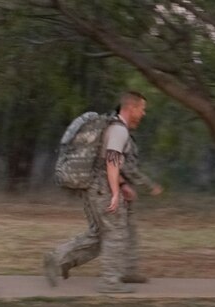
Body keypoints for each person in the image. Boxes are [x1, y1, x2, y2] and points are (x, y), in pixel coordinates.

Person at [44, 91, 161, 293]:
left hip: (94, 187)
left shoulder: (112, 127)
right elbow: (112, 162)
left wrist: (123, 185)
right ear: (130, 108)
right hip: (102, 188)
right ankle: (109, 282)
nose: (143, 113)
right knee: (115, 233)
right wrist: (116, 192)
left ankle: (58, 258)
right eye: (142, 108)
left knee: (100, 234)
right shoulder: (119, 130)